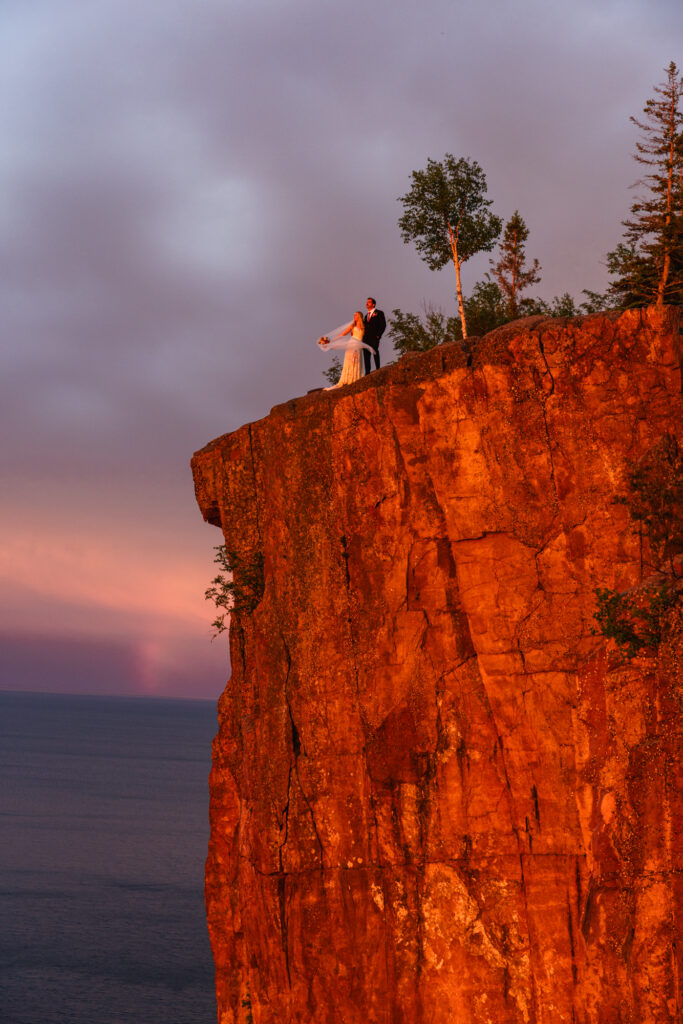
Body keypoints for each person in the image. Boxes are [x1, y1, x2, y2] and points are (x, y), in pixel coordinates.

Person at [318, 312, 373, 390]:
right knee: (350, 361)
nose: (354, 316)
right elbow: (343, 334)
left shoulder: (363, 326)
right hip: (351, 344)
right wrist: (331, 340)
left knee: (356, 361)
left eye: (356, 315)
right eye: (354, 315)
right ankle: (348, 379)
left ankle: (355, 378)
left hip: (358, 346)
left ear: (359, 316)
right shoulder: (352, 326)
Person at [362, 297, 386, 375]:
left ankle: (378, 369)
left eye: (369, 302)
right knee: (366, 355)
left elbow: (383, 325)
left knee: (375, 351)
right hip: (365, 338)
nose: (367, 303)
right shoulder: (366, 316)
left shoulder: (379, 313)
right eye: (367, 302)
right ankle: (367, 372)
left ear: (373, 304)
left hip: (374, 337)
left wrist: (378, 335)